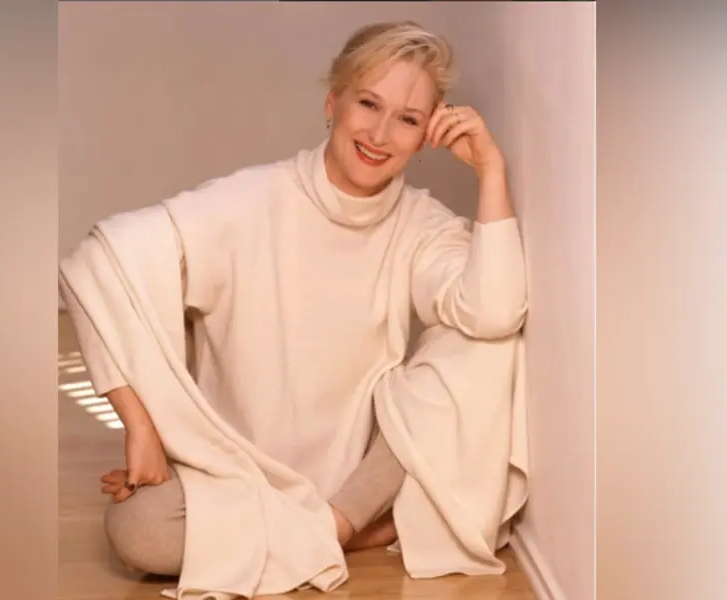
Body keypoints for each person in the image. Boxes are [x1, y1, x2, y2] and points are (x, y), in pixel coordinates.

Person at [63, 20, 527, 577]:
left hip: (355, 477)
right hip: (239, 475)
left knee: (485, 345)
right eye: (368, 104)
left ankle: (336, 524)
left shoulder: (421, 224)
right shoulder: (248, 199)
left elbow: (495, 312)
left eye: (407, 119)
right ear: (333, 102)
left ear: (428, 131)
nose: (380, 134)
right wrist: (144, 429)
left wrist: (491, 171)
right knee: (140, 530)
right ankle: (346, 533)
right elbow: (99, 259)